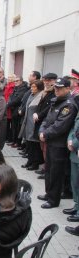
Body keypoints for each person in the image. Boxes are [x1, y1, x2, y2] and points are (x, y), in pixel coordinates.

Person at [38, 78, 78, 208]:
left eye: (60, 88)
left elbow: (60, 125)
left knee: (56, 173)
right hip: (50, 141)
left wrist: (46, 133)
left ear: (67, 89)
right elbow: (46, 120)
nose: (56, 90)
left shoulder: (69, 104)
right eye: (55, 88)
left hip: (59, 144)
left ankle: (53, 200)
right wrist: (42, 130)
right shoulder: (56, 101)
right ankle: (49, 193)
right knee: (49, 170)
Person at [20, 80, 45, 171]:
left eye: (34, 87)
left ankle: (35, 163)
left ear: (39, 88)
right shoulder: (31, 95)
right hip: (28, 122)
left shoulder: (41, 96)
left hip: (34, 123)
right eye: (31, 87)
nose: (32, 88)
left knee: (34, 144)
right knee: (29, 144)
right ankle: (29, 161)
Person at [65, 103, 79, 222]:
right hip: (74, 154)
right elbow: (73, 128)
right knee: (75, 181)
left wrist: (74, 143)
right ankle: (76, 205)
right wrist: (70, 139)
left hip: (76, 148)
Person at [7, 75, 29, 148]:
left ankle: (17, 142)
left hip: (18, 110)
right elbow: (11, 96)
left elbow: (18, 99)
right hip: (13, 109)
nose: (15, 82)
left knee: (17, 128)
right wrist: (9, 103)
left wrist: (8, 104)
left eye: (17, 81)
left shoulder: (23, 89)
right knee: (13, 127)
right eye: (15, 81)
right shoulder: (16, 88)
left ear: (21, 81)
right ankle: (14, 141)